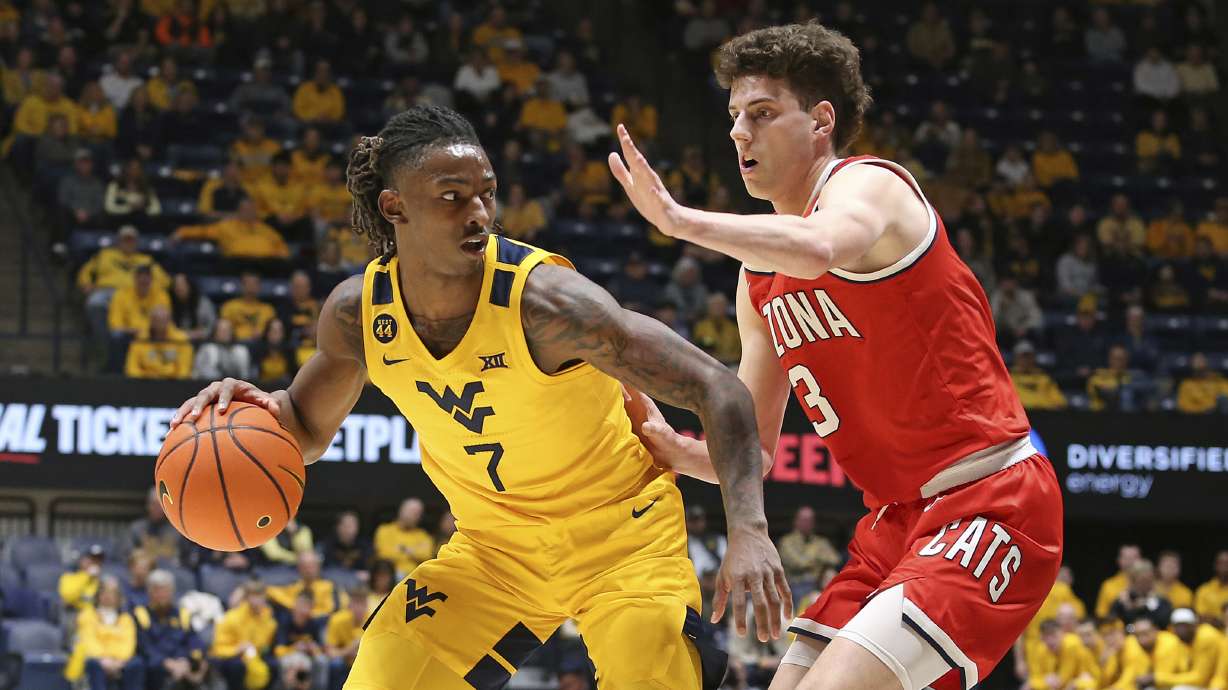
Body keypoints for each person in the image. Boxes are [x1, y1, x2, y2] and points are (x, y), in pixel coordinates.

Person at [170, 104, 785, 689]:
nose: (479, 213)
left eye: (486, 192)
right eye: (452, 197)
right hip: (493, 553)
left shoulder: (550, 304)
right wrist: (250, 416)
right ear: (394, 206)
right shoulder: (359, 314)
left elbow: (718, 388)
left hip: (625, 543)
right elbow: (302, 430)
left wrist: (749, 529)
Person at [609, 22, 1063, 690]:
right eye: (734, 116)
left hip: (992, 502)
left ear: (822, 120)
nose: (739, 133)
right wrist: (671, 448)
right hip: (894, 522)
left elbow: (822, 246)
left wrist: (682, 222)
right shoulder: (758, 277)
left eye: (762, 114)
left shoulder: (871, 186)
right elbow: (753, 451)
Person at [134, 569, 209, 690]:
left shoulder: (182, 614)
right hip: (158, 666)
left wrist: (188, 660)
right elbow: (145, 648)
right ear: (149, 592)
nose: (162, 595)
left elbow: (193, 640)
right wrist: (168, 663)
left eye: (166, 590)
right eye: (157, 591)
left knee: (205, 663)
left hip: (182, 663)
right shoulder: (142, 614)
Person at [67, 576, 144, 690]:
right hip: (97, 659)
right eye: (104, 592)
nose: (107, 596)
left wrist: (118, 661)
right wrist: (103, 659)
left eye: (112, 593)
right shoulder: (87, 615)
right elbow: (89, 641)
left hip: (120, 661)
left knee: (136, 663)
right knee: (93, 664)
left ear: (118, 597)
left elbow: (128, 643)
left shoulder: (126, 619)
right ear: (98, 595)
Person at [210, 580, 277, 690]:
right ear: (246, 598)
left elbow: (266, 645)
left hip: (255, 655)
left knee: (273, 665)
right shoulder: (230, 618)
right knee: (237, 666)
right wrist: (237, 649)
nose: (257, 601)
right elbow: (218, 648)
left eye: (260, 596)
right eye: (254, 596)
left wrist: (260, 649)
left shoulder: (269, 620)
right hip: (232, 656)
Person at [776, 506, 841, 599]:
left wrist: (810, 559)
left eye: (810, 520)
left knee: (831, 573)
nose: (807, 523)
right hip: (795, 584)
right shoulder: (786, 542)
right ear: (796, 521)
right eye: (804, 520)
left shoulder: (820, 541)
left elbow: (835, 559)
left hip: (817, 583)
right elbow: (799, 563)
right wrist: (819, 557)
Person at [373, 497, 435, 578]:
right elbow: (384, 554)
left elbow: (427, 556)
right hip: (389, 576)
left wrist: (402, 549)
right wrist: (412, 553)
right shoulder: (384, 530)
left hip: (415, 577)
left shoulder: (424, 536)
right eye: (411, 511)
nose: (414, 515)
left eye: (418, 513)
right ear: (401, 510)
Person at [324, 586, 369, 690]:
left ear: (367, 605)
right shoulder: (337, 620)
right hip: (344, 661)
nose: (359, 608)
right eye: (356, 603)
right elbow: (330, 652)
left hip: (364, 662)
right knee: (336, 664)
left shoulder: (373, 621)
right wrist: (348, 650)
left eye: (362, 603)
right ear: (350, 605)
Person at [1108, 560, 1172, 628]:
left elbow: (1164, 622)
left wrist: (1148, 605)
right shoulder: (1122, 601)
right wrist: (1129, 608)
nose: (1146, 585)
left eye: (1149, 580)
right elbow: (1114, 623)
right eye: (1142, 581)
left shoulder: (1161, 600)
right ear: (1132, 581)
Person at [1195, 551, 1228, 623]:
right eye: (1222, 563)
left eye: (1227, 563)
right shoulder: (1204, 590)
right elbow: (1200, 616)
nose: (1225, 567)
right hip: (1210, 629)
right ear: (1215, 565)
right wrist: (1220, 621)